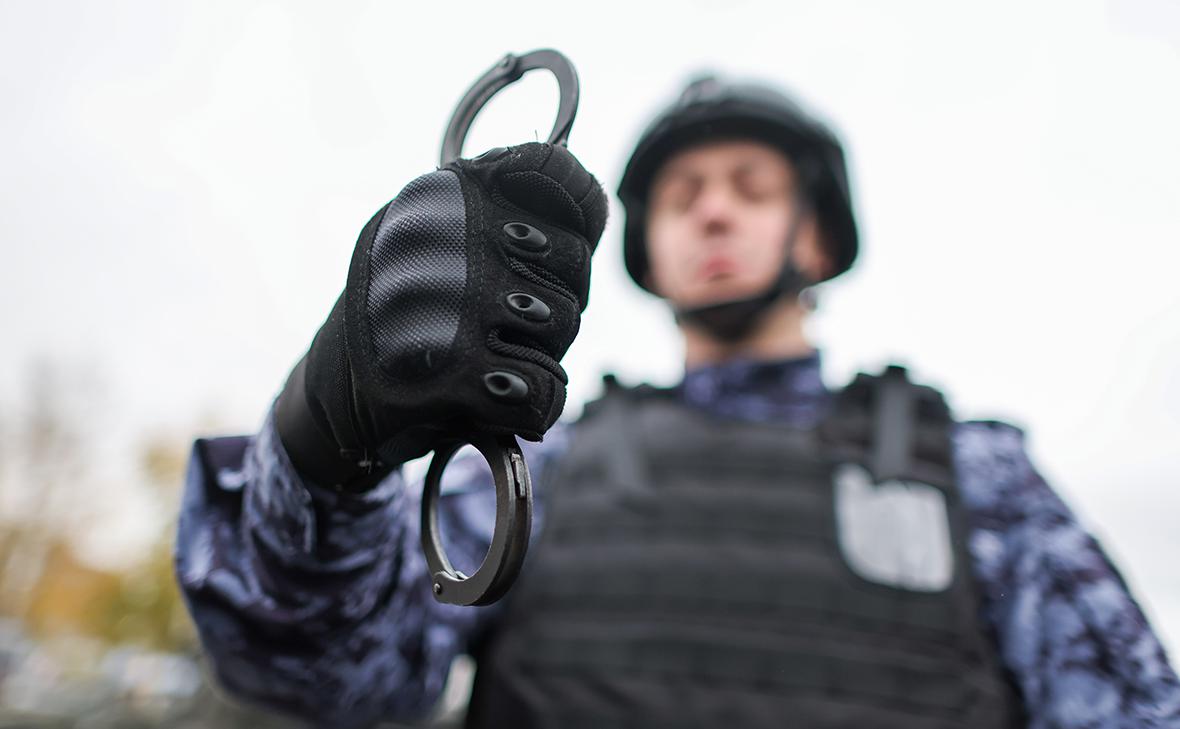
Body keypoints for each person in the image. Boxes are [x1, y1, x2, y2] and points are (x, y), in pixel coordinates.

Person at [174, 75, 1180, 728]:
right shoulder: (548, 468)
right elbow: (335, 678)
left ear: (814, 236)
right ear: (649, 250)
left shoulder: (972, 472)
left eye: (750, 186)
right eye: (682, 194)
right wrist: (324, 445)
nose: (713, 210)